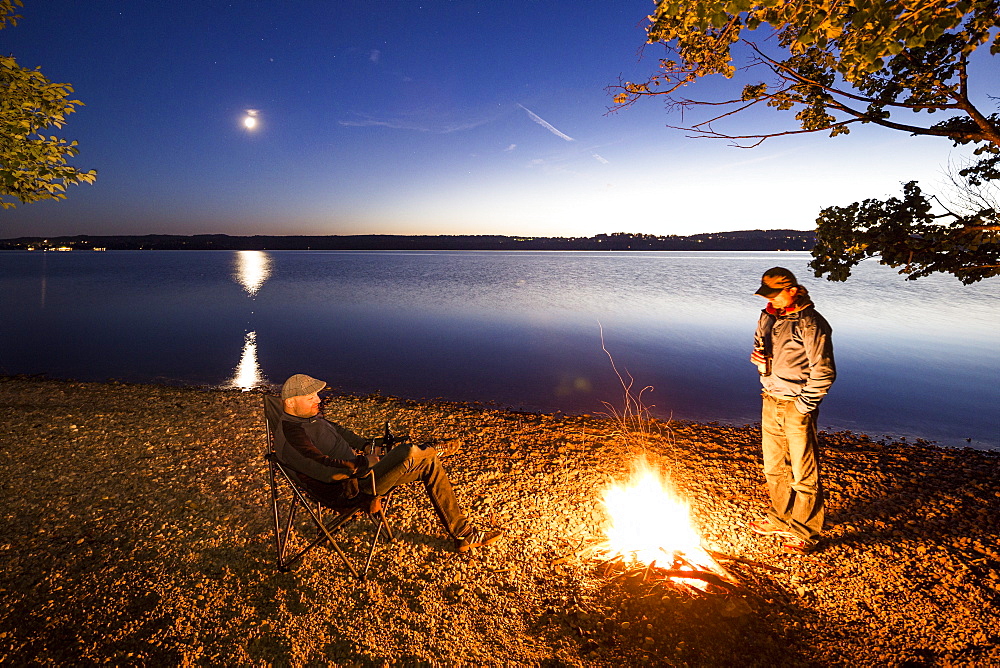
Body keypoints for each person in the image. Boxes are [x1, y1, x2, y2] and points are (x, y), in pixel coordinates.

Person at [275, 373, 503, 553]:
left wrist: (366, 445)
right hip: (351, 488)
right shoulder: (292, 436)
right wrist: (364, 464)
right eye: (311, 397)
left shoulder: (306, 418)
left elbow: (339, 431)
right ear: (291, 402)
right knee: (408, 451)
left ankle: (463, 534)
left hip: (358, 472)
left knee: (428, 463)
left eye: (317, 395)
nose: (318, 400)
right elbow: (325, 470)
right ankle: (436, 447)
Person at [749, 267, 836, 555]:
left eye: (776, 295)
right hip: (770, 398)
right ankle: (780, 517)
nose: (771, 301)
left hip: (796, 403)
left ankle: (806, 531)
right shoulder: (769, 315)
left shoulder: (811, 323)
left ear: (793, 290)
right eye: (768, 295)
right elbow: (761, 348)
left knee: (803, 472)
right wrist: (759, 363)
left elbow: (824, 373)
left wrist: (803, 406)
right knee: (774, 468)